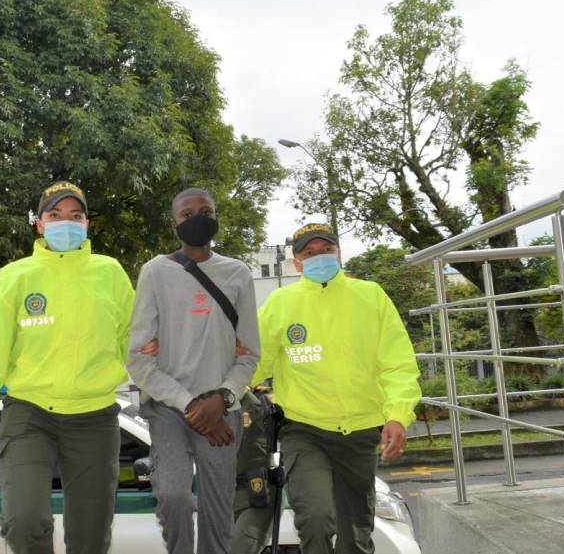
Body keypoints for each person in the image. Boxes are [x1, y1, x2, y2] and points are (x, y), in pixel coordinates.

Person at [0, 181, 135, 554]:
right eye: (55, 215)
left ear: (86, 223)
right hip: (29, 415)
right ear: (39, 224)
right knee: (24, 520)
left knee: (91, 536)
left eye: (75, 215)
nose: (66, 222)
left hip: (95, 418)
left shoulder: (110, 273)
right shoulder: (14, 278)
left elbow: (136, 345)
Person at [253, 222, 421, 554]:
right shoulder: (279, 304)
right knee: (314, 520)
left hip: (360, 432)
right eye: (309, 253)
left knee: (355, 536)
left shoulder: (370, 296)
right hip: (304, 430)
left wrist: (398, 415)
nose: (319, 258)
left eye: (326, 250)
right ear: (297, 262)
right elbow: (253, 363)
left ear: (338, 253)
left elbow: (398, 363)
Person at [127, 187, 260, 554]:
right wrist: (192, 405)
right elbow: (138, 358)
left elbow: (249, 353)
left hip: (223, 413)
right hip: (169, 410)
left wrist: (224, 396)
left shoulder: (237, 273)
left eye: (206, 210)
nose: (197, 218)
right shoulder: (155, 272)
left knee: (219, 511)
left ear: (216, 217)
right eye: (188, 214)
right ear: (174, 224)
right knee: (174, 496)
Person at [231, 384, 277, 554]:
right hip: (224, 496)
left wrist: (243, 392)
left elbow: (274, 427)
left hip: (257, 494)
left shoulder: (265, 393)